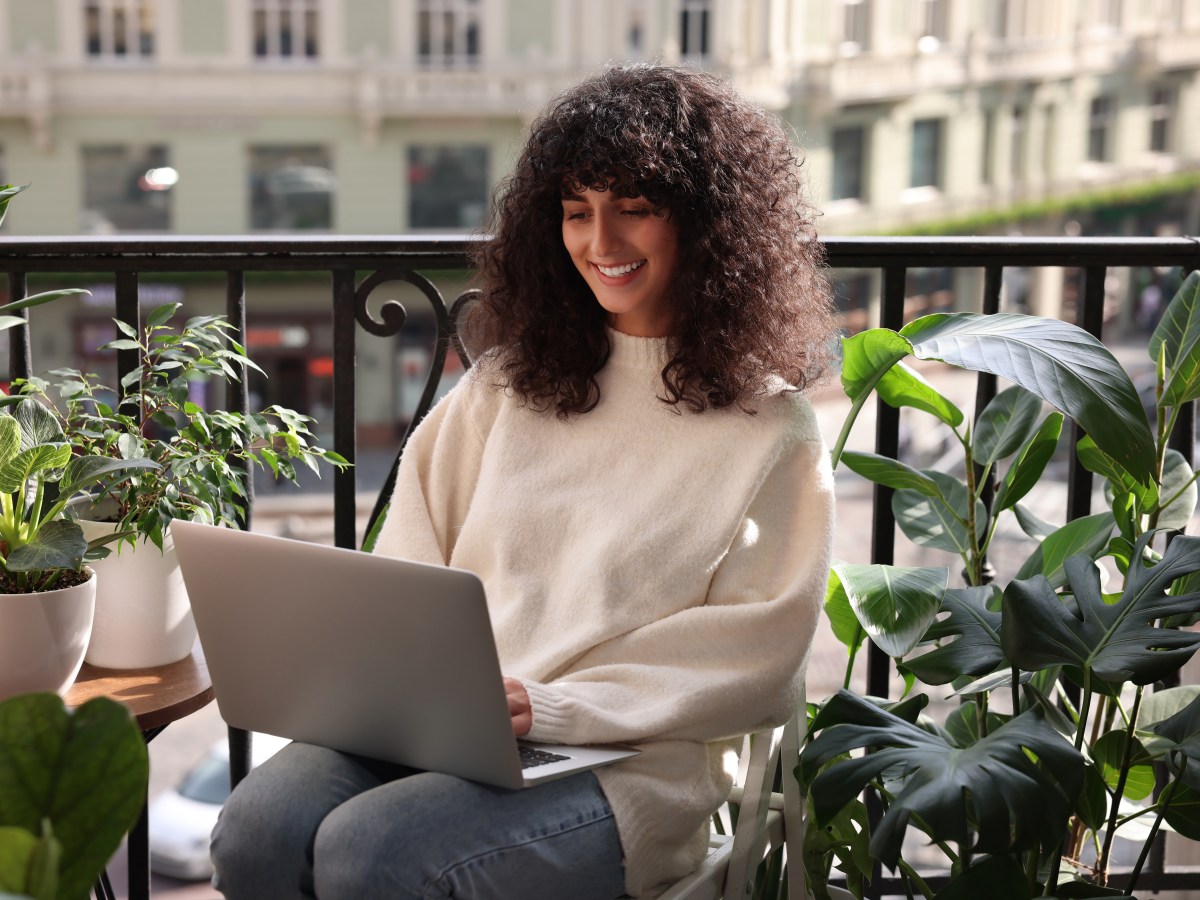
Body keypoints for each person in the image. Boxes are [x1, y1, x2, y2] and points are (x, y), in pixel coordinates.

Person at [209, 63, 837, 900]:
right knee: (255, 833)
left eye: (635, 209)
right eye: (578, 213)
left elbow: (758, 650)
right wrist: (395, 681)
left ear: (709, 222)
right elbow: (410, 559)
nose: (601, 243)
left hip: (631, 762)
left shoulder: (772, 429)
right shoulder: (507, 385)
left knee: (376, 853)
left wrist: (555, 710)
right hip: (451, 724)